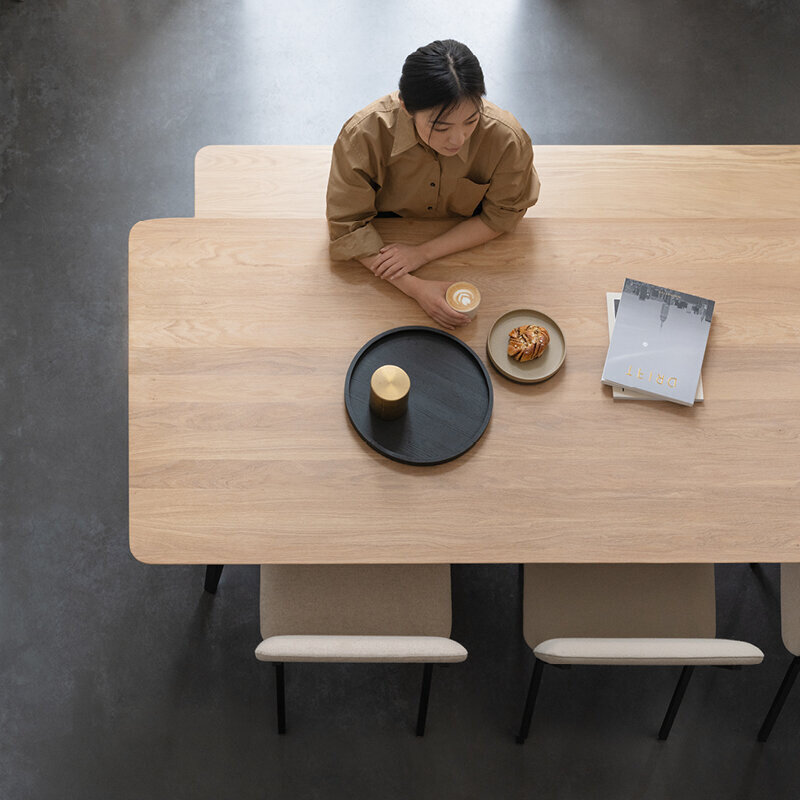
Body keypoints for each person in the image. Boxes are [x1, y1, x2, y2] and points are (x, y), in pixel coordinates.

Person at [326, 39, 540, 330]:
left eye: (471, 120)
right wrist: (415, 288)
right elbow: (347, 226)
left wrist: (422, 253)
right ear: (405, 107)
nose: (458, 139)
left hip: (472, 253)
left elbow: (502, 215)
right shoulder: (363, 135)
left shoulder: (506, 139)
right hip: (384, 245)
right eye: (440, 127)